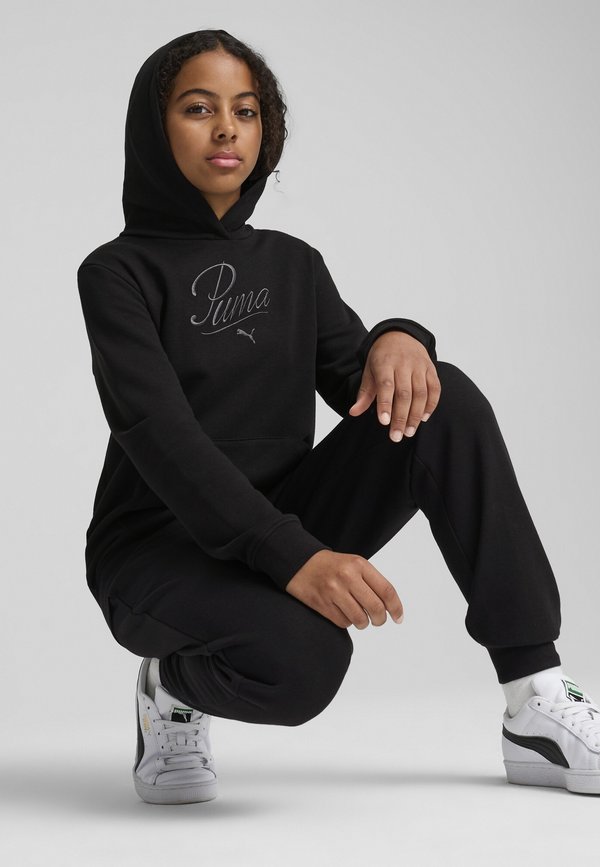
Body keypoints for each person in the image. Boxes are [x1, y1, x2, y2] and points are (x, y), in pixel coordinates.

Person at [77, 29, 600, 805]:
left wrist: (402, 337)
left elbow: (367, 381)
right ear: (155, 130)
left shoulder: (293, 263)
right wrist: (295, 556)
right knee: (305, 663)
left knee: (443, 397)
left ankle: (534, 697)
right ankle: (171, 686)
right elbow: (161, 436)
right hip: (157, 553)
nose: (226, 130)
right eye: (199, 108)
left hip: (280, 524)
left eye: (246, 111)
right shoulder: (116, 273)